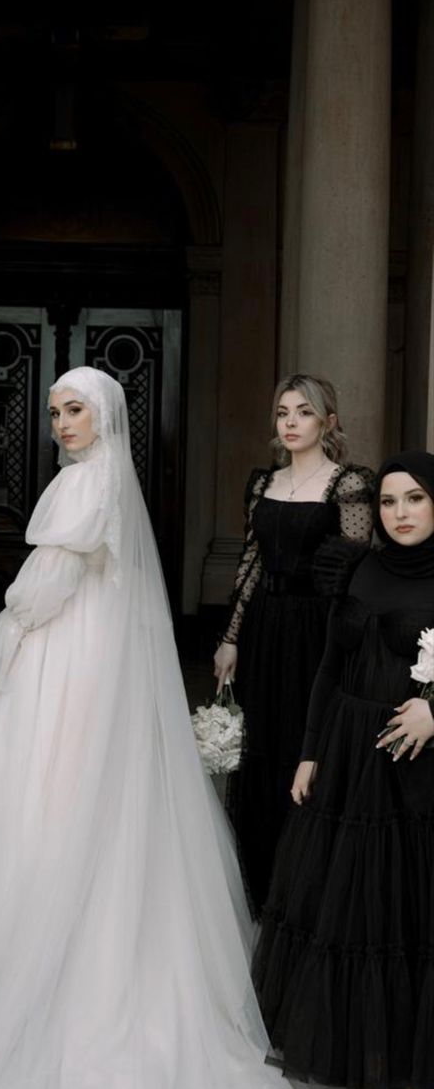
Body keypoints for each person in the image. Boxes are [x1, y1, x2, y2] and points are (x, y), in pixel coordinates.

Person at [0, 366, 284, 1089]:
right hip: (88, 651)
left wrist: (6, 626)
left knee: (53, 786)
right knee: (84, 793)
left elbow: (49, 580)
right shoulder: (104, 480)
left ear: (106, 416)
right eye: (55, 411)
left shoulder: (88, 483)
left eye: (75, 410)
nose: (61, 423)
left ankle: (54, 956)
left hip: (68, 652)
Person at [253, 451, 434, 1089]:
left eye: (414, 498)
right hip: (351, 758)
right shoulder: (356, 567)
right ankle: (351, 1046)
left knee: (409, 911)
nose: (400, 513)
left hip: (420, 772)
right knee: (347, 907)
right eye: (388, 502)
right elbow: (329, 669)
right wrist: (309, 750)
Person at [213, 373, 374, 915]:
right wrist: (231, 637)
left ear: (328, 421)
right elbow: (251, 563)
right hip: (264, 630)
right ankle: (261, 885)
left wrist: (346, 648)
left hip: (317, 630)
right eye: (283, 412)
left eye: (303, 412)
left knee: (309, 747)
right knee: (261, 747)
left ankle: (310, 890)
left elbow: (352, 569)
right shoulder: (263, 483)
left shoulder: (349, 485)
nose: (290, 423)